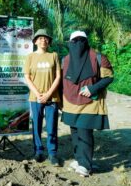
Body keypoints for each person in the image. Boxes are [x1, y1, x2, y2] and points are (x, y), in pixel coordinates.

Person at [62, 31, 113, 177]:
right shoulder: (65, 60)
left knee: (84, 132)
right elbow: (62, 82)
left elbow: (108, 77)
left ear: (86, 41)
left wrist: (92, 88)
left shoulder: (98, 57)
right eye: (74, 41)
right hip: (70, 103)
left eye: (81, 40)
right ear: (70, 44)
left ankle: (85, 165)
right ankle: (79, 160)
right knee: (75, 133)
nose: (78, 44)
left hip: (90, 103)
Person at [24, 29, 61, 166]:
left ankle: (52, 153)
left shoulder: (54, 55)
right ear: (35, 41)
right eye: (40, 38)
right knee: (37, 125)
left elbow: (58, 76)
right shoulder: (30, 57)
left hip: (52, 97)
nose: (43, 40)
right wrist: (38, 93)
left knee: (52, 126)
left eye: (46, 38)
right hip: (35, 97)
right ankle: (38, 151)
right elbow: (27, 77)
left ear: (49, 41)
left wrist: (48, 94)